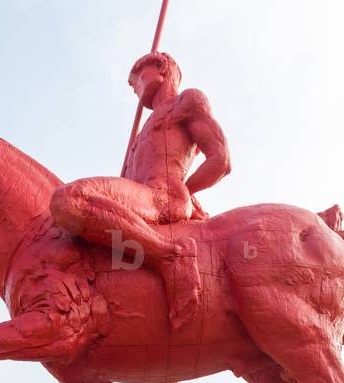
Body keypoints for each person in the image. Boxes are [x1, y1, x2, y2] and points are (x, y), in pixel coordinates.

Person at [50, 51, 231, 330]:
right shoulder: (139, 138)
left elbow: (221, 160)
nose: (133, 85)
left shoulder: (186, 101)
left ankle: (171, 258)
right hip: (141, 198)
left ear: (160, 68)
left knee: (70, 199)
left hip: (161, 197)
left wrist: (183, 189)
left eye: (137, 75)